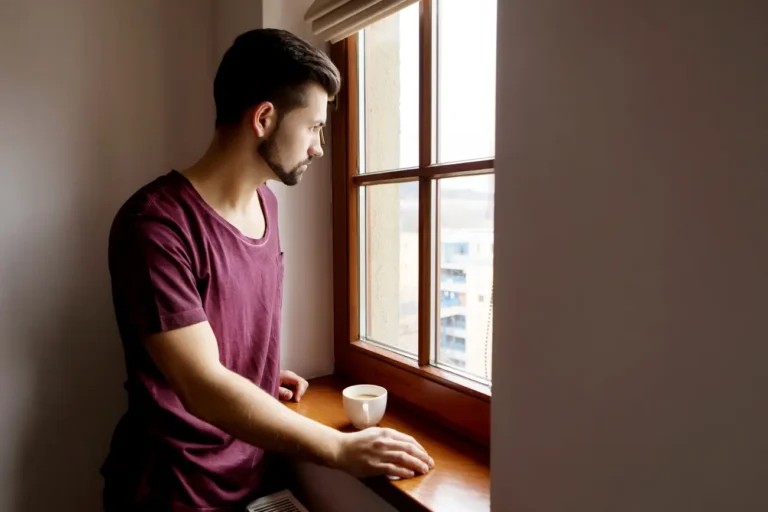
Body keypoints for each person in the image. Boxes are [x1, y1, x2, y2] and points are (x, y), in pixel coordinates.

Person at [101, 28, 433, 511]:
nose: (320, 146)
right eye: (314, 127)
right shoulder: (153, 225)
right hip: (175, 491)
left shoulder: (267, 207)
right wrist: (338, 447)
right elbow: (203, 386)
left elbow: (215, 335)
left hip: (254, 478)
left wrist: (258, 374)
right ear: (264, 118)